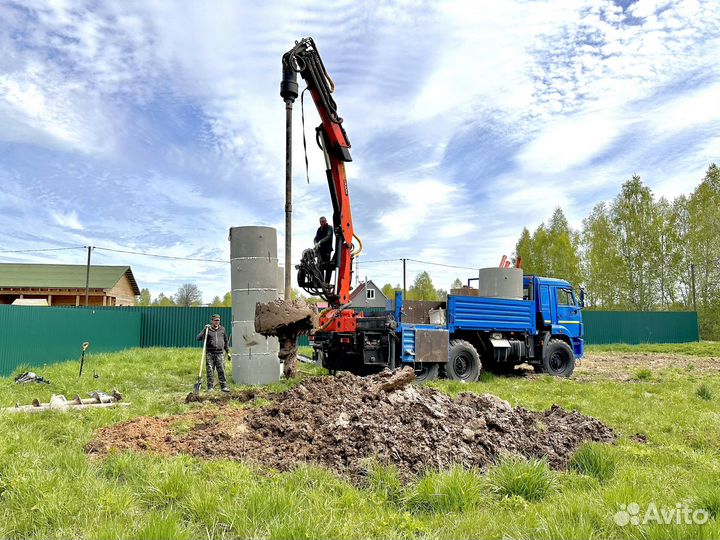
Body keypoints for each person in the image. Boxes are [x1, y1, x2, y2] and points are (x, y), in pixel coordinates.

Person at [196, 314, 230, 392]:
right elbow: (198, 338)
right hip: (210, 353)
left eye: (218, 320)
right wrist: (204, 329)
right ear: (212, 321)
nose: (216, 322)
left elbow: (226, 341)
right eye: (215, 320)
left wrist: (228, 352)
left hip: (220, 353)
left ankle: (224, 386)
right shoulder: (208, 329)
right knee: (210, 371)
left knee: (221, 370)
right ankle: (210, 387)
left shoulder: (222, 329)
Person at [313, 216, 334, 283]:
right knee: (320, 265)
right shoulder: (319, 229)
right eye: (321, 222)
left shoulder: (329, 228)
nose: (322, 223)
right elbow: (315, 238)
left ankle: (327, 282)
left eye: (323, 222)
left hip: (327, 250)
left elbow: (329, 236)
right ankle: (321, 281)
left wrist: (320, 242)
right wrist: (316, 243)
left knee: (327, 266)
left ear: (326, 221)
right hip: (320, 251)